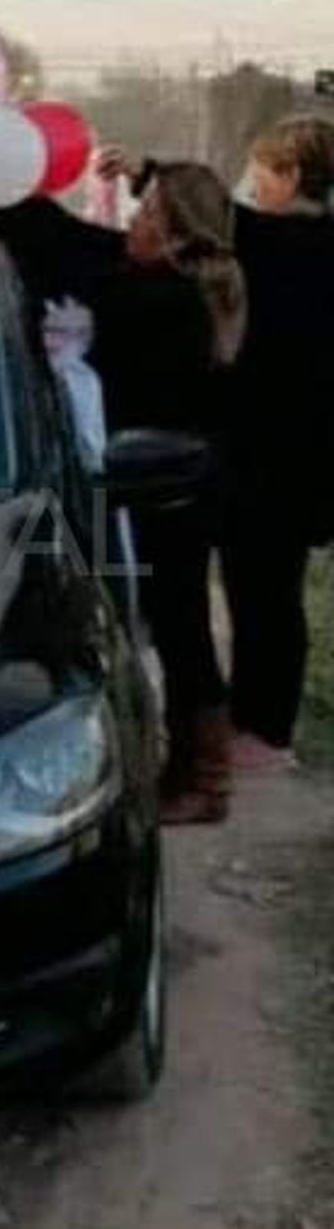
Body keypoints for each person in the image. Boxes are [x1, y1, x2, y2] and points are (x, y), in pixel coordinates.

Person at [0, 163, 246, 825]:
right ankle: (190, 769)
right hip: (178, 481)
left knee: (180, 627)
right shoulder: (182, 279)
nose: (129, 224)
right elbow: (83, 243)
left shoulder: (161, 298)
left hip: (169, 485)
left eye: (144, 217)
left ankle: (204, 781)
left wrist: (13, 203)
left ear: (170, 236)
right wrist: (9, 195)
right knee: (177, 622)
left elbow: (87, 266)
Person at [223, 118, 334, 769]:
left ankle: (259, 728)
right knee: (276, 590)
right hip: (309, 451)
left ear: (290, 174)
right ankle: (268, 725)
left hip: (269, 448)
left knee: (257, 590)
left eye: (262, 171)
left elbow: (210, 215)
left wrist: (149, 175)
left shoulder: (271, 240)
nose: (253, 184)